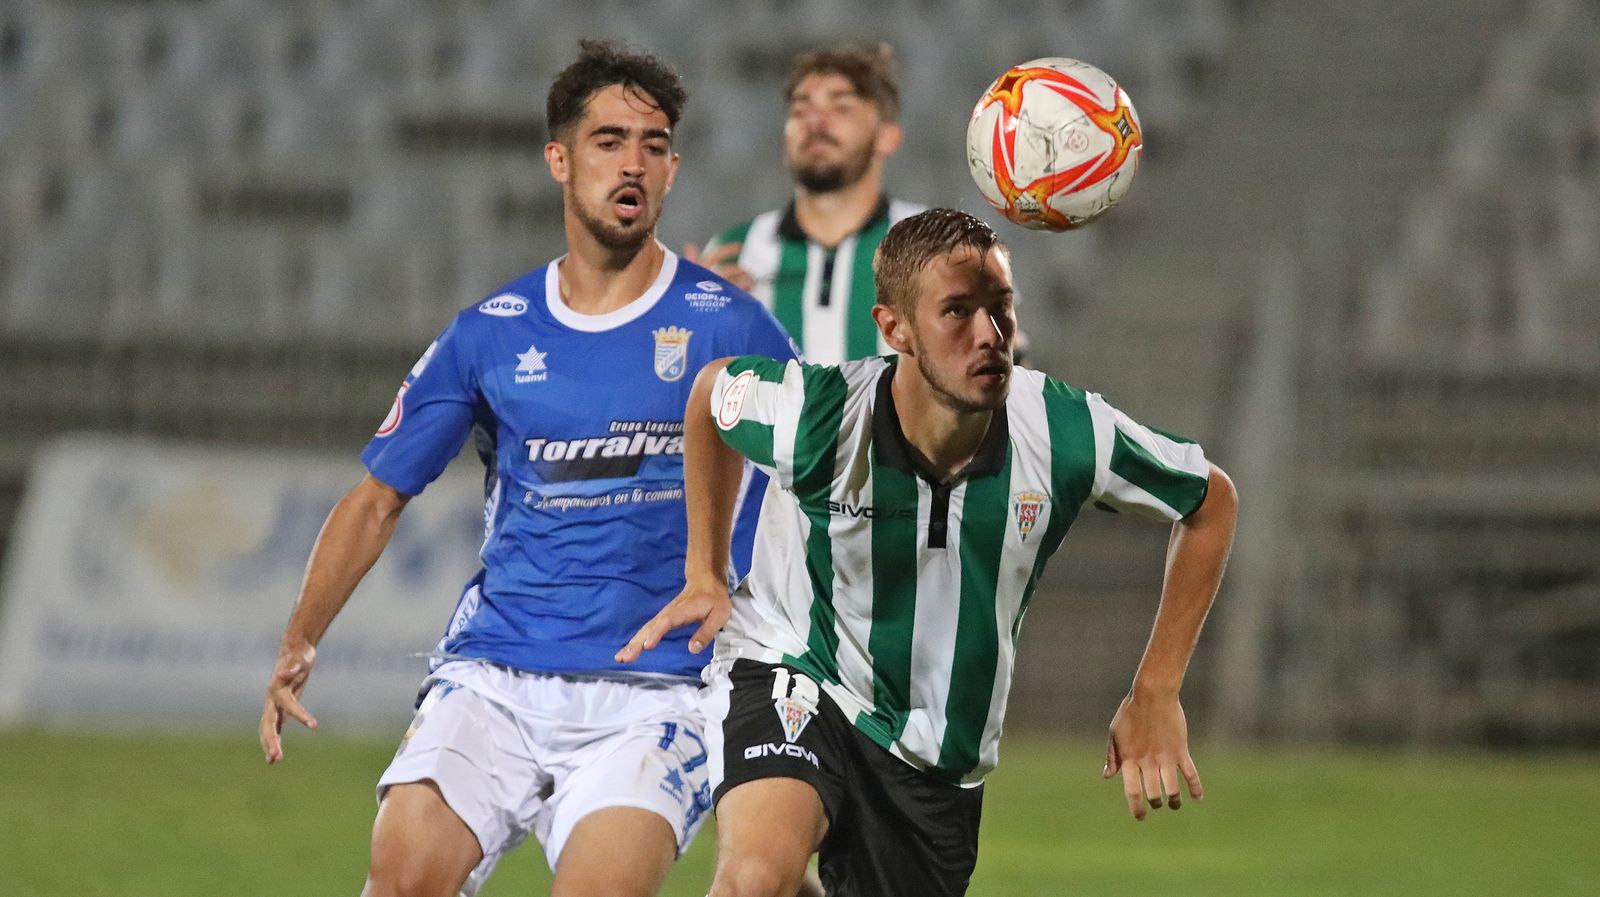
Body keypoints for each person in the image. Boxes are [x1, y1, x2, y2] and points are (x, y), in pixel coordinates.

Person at [258, 40, 797, 897]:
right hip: (497, 675)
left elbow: (817, 481)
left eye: (654, 146)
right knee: (399, 877)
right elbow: (378, 497)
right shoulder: (490, 333)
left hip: (659, 690)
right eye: (609, 140)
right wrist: (299, 639)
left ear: (674, 168)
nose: (634, 164)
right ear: (559, 159)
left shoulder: (731, 326)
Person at [620, 208, 1238, 897]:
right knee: (753, 877)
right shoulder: (822, 416)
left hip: (936, 758)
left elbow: (1209, 501)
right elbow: (710, 395)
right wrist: (704, 571)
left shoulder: (1065, 432)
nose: (989, 335)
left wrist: (1155, 690)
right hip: (798, 668)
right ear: (895, 328)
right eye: (958, 311)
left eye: (1001, 308)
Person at [688, 42, 923, 364]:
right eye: (801, 110)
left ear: (887, 136)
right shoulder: (733, 251)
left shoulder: (931, 246)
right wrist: (692, 323)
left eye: (841, 108)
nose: (815, 122)